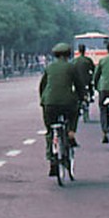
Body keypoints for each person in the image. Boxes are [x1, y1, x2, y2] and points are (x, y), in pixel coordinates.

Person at [39, 42, 83, 178]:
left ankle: (51, 158)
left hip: (49, 104)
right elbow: (79, 85)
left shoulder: (49, 67)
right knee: (75, 112)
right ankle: (70, 133)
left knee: (50, 130)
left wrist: (44, 100)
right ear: (68, 54)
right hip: (68, 103)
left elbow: (42, 86)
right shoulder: (72, 67)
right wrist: (81, 98)